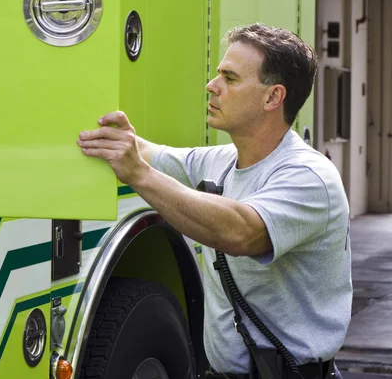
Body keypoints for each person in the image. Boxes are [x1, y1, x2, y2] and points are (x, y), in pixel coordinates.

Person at [77, 23, 352, 379]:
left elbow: (242, 233)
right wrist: (126, 139)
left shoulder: (310, 177)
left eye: (230, 78)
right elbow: (154, 155)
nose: (212, 85)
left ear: (273, 98)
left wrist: (139, 174)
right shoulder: (222, 160)